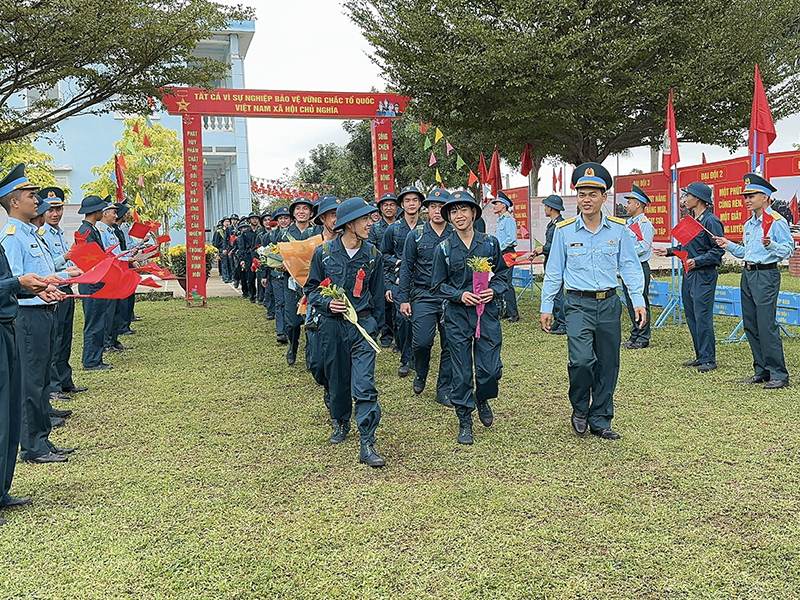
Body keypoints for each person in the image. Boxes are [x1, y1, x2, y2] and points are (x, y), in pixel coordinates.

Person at [540, 163, 645, 440]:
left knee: (608, 363)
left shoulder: (619, 230)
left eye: (592, 194)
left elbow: (630, 266)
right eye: (581, 194)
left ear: (604, 197)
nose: (586, 199)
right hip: (577, 304)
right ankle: (579, 408)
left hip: (609, 303)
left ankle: (601, 419)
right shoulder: (564, 231)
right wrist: (546, 305)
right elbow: (554, 271)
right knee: (582, 361)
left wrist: (637, 300)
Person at [305, 197, 386, 468]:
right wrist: (327, 302)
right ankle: (340, 421)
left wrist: (377, 328)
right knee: (337, 379)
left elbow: (377, 296)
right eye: (365, 219)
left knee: (364, 384)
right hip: (332, 326)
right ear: (349, 224)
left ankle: (367, 441)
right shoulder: (324, 253)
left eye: (370, 218)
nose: (370, 224)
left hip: (362, 328)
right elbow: (311, 289)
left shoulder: (374, 255)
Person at [0, 167, 74, 464]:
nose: (37, 200)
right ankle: (32, 446)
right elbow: (15, 280)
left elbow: (37, 276)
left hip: (45, 310)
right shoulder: (13, 237)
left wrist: (50, 284)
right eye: (31, 195)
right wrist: (37, 290)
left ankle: (42, 438)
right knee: (31, 382)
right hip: (28, 318)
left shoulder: (31, 232)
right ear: (14, 202)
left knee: (42, 380)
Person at [431, 191, 509, 445]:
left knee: (490, 370)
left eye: (464, 210)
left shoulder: (489, 244)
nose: (459, 215)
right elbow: (437, 286)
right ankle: (464, 420)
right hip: (457, 317)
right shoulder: (443, 248)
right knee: (462, 372)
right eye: (453, 211)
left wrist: (493, 290)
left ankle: (483, 397)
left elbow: (502, 277)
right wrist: (459, 295)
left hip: (486, 315)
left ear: (474, 213)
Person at [715, 173, 793, 389]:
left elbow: (788, 250)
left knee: (766, 325)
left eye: (751, 195)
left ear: (765, 197)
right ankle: (762, 370)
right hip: (748, 274)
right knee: (751, 324)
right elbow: (746, 253)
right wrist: (728, 244)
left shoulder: (776, 222)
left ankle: (779, 373)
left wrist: (771, 245)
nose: (747, 200)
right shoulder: (749, 224)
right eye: (745, 196)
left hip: (766, 275)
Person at [654, 181, 724, 373]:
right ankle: (700, 355)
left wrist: (698, 261)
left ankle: (709, 358)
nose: (685, 199)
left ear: (698, 199)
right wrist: (668, 251)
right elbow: (685, 248)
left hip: (704, 274)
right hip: (689, 273)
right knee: (692, 315)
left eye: (688, 196)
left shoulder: (711, 222)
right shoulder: (692, 221)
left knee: (702, 316)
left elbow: (718, 250)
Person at [398, 188, 454, 406]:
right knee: (422, 342)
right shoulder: (417, 235)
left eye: (441, 207)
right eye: (433, 206)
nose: (437, 211)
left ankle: (444, 389)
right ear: (427, 210)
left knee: (450, 343)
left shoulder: (455, 233)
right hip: (423, 294)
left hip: (450, 296)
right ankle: (421, 372)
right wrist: (403, 298)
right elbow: (406, 268)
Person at [38, 187, 88, 402]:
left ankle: (66, 381)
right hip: (52, 289)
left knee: (66, 337)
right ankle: (54, 386)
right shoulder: (41, 233)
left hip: (66, 288)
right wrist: (65, 258)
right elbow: (46, 267)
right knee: (55, 339)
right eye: (50, 210)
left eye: (59, 209)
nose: (55, 213)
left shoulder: (58, 232)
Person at [382, 186, 423, 377]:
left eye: (415, 200)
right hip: (400, 281)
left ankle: (419, 356)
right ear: (402, 205)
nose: (411, 204)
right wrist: (390, 282)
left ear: (420, 203)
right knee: (403, 319)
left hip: (423, 282)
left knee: (420, 320)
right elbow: (384, 255)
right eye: (407, 201)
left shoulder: (427, 228)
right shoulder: (393, 229)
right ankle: (406, 359)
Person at [305, 194, 341, 409]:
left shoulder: (353, 242)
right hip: (316, 307)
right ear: (323, 219)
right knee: (317, 362)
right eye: (333, 215)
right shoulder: (312, 245)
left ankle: (337, 393)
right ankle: (327, 384)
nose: (337, 219)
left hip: (343, 310)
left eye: (340, 214)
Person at [279, 197, 317, 366]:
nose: (302, 212)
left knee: (311, 321)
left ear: (311, 213)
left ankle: (310, 354)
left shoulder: (318, 233)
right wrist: (281, 264)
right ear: (293, 213)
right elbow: (275, 254)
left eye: (305, 209)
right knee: (293, 323)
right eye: (298, 209)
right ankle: (292, 346)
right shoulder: (284, 234)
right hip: (291, 284)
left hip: (313, 283)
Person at [76, 195, 112, 370]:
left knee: (99, 320)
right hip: (92, 282)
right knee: (94, 322)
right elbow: (89, 259)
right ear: (96, 211)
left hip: (96, 280)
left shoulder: (91, 229)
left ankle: (95, 358)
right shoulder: (87, 231)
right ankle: (91, 360)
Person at [622, 184, 654, 349]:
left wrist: (626, 252)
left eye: (630, 202)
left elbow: (643, 247)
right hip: (629, 267)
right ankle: (635, 335)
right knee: (630, 302)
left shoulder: (643, 223)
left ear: (638, 204)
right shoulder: (629, 223)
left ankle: (643, 337)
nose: (627, 205)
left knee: (641, 301)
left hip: (639, 267)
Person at [96, 201, 130, 354]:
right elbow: (107, 255)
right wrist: (126, 259)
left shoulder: (110, 230)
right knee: (108, 311)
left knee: (115, 310)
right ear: (105, 214)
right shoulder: (101, 231)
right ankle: (106, 342)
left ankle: (114, 339)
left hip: (117, 273)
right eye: (113, 213)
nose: (116, 216)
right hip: (108, 274)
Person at [369, 192, 399, 349]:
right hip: (381, 269)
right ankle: (386, 334)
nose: (389, 208)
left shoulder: (401, 226)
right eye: (385, 205)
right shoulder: (374, 228)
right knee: (384, 303)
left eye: (392, 205)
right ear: (380, 208)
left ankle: (400, 336)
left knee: (399, 304)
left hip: (400, 269)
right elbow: (372, 249)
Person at [533, 195, 566, 334]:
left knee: (558, 295)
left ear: (551, 208)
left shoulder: (560, 225)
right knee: (555, 294)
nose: (545, 208)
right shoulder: (553, 224)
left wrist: (541, 249)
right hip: (550, 261)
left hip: (556, 264)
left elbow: (556, 246)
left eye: (546, 206)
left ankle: (563, 323)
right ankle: (558, 321)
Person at [491, 191, 520, 322]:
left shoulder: (508, 219)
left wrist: (498, 248)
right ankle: (506, 311)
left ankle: (514, 313)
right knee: (501, 281)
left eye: (496, 203)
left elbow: (511, 239)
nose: (494, 206)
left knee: (507, 282)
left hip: (507, 252)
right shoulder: (500, 220)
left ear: (503, 205)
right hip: (501, 253)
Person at [267, 207, 291, 344]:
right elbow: (265, 255)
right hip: (276, 274)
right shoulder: (271, 236)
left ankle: (290, 329)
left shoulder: (295, 233)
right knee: (279, 303)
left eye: (286, 218)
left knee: (290, 304)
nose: (283, 221)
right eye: (281, 218)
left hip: (293, 275)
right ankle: (281, 332)